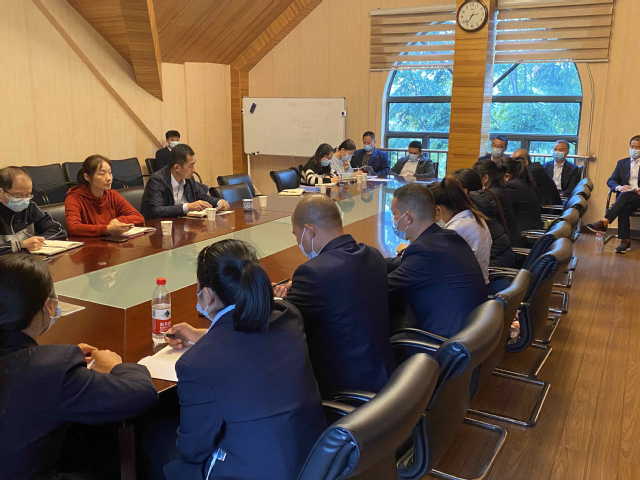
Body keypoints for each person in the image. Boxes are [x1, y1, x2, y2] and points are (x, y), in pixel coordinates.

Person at [161, 239, 325, 480]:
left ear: (207, 294)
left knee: (163, 451)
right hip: (314, 458)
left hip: (253, 470)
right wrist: (203, 337)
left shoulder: (197, 363)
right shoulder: (288, 315)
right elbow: (249, 342)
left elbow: (193, 448)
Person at [0, 253, 157, 479]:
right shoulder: (51, 369)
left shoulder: (43, 364)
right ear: (48, 306)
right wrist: (116, 366)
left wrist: (59, 360)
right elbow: (140, 393)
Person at [274, 195, 393, 396]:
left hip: (344, 387)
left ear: (309, 230)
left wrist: (277, 298)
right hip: (384, 374)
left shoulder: (313, 273)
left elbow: (283, 323)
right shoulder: (373, 254)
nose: (298, 242)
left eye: (297, 235)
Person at [387, 183, 487, 338]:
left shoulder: (424, 252)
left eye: (395, 214)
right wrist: (372, 260)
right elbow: (403, 265)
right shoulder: (447, 237)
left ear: (407, 218)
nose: (394, 220)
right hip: (473, 333)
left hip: (444, 342)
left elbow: (384, 287)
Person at [430, 176, 492, 283]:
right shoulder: (473, 217)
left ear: (438, 209)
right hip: (475, 283)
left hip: (465, 286)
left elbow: (435, 264)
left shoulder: (455, 230)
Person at [141, 144, 229, 219]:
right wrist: (187, 207)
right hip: (162, 228)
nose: (194, 170)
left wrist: (219, 202)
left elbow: (202, 196)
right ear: (177, 168)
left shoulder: (188, 179)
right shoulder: (157, 180)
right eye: (191, 166)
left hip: (185, 226)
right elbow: (155, 210)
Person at [64, 155, 145, 237]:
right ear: (87, 177)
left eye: (110, 173)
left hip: (111, 242)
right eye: (102, 174)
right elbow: (73, 227)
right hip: (89, 243)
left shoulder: (112, 195)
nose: (109, 178)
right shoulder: (74, 198)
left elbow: (139, 217)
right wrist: (107, 229)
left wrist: (118, 220)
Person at [586, 135, 640, 254]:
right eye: (632, 147)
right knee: (624, 204)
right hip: (626, 198)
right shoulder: (622, 163)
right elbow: (611, 180)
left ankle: (604, 222)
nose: (634, 150)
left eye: (637, 147)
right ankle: (625, 241)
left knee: (624, 197)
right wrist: (619, 187)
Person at [455, 168, 515, 268]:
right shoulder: (484, 198)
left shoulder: (473, 207)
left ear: (464, 191)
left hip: (493, 263)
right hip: (501, 257)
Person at [0, 167, 67, 255]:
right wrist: (20, 245)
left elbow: (58, 230)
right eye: (18, 195)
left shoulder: (30, 207)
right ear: (1, 192)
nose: (24, 200)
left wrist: (37, 241)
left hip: (29, 259)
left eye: (28, 194)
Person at [502, 158, 543, 246]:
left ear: (507, 176)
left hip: (523, 237)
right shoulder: (522, 183)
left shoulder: (512, 187)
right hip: (530, 231)